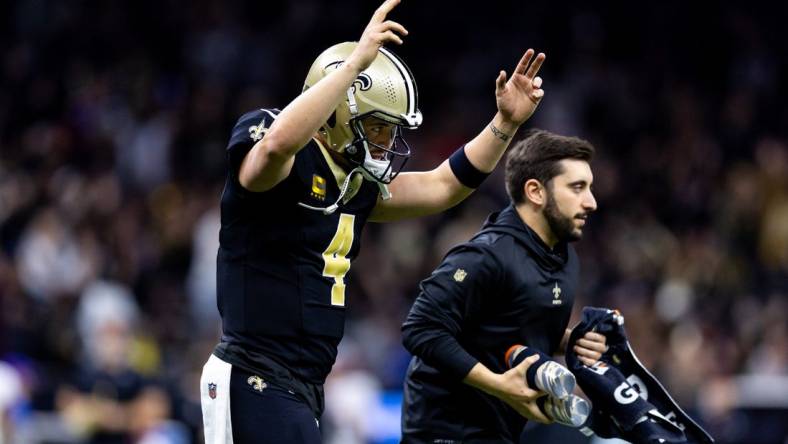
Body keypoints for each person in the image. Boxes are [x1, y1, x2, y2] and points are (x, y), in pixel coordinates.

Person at [199, 0, 548, 442]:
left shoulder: (354, 182)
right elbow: (272, 150)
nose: (387, 142)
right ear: (339, 112)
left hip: (302, 386)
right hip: (254, 375)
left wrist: (504, 123)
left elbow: (444, 186)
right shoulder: (273, 141)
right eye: (379, 126)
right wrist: (354, 66)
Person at [400, 130, 609, 443]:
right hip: (444, 433)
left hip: (501, 432)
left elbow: (503, 330)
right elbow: (421, 328)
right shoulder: (486, 255)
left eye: (589, 188)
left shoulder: (565, 258)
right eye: (577, 188)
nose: (591, 202)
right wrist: (500, 384)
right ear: (536, 192)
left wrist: (571, 342)